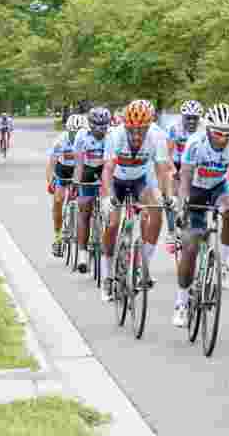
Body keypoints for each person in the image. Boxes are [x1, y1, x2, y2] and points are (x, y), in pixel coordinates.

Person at [169, 103, 229, 327]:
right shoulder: (195, 143)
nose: (223, 138)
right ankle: (181, 302)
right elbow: (184, 180)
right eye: (218, 133)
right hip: (195, 190)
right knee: (191, 247)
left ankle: (223, 262)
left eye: (227, 134)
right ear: (208, 129)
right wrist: (181, 207)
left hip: (218, 188)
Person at [99, 100, 167, 302]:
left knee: (156, 212)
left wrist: (166, 195)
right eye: (132, 130)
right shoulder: (115, 135)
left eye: (142, 130)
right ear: (125, 126)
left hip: (140, 181)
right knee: (112, 223)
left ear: (149, 126)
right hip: (117, 181)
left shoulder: (157, 136)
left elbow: (162, 169)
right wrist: (106, 197)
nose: (137, 135)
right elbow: (108, 169)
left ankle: (142, 265)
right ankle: (107, 276)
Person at [70, 106, 112, 274]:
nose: (101, 129)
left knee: (108, 206)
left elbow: (112, 165)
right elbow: (79, 163)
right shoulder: (81, 135)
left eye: (104, 125)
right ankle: (82, 252)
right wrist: (76, 182)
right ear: (90, 124)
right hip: (87, 169)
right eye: (97, 125)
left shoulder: (112, 136)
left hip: (105, 169)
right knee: (84, 208)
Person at [162, 100, 204, 253]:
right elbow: (167, 154)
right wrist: (174, 171)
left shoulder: (204, 129)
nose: (192, 121)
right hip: (177, 162)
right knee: (171, 194)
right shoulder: (174, 128)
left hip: (194, 164)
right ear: (182, 117)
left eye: (195, 118)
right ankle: (172, 232)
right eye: (188, 118)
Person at [46, 113, 88, 257]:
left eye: (79, 132)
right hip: (63, 170)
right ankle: (57, 238)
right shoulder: (60, 140)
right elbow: (51, 164)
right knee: (58, 200)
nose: (75, 135)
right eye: (72, 132)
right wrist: (50, 180)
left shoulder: (88, 140)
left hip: (81, 169)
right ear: (67, 130)